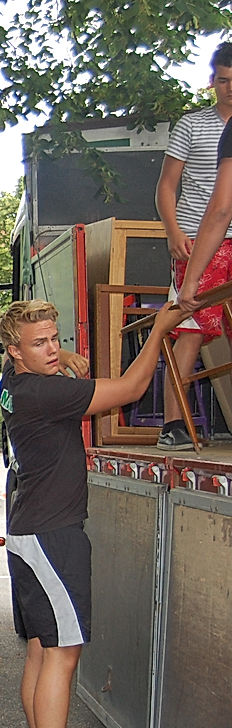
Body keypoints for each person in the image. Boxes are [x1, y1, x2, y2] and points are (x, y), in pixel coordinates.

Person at [0, 299, 188, 728]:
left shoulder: (15, 385)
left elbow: (55, 373)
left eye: (55, 338)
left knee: (41, 653)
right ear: (14, 351)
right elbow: (131, 389)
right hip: (52, 536)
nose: (52, 349)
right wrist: (160, 328)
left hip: (30, 532)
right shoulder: (43, 393)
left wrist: (64, 363)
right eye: (39, 344)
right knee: (63, 655)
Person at [154, 41, 232, 450]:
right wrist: (171, 231)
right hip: (199, 235)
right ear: (212, 81)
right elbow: (167, 185)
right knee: (191, 325)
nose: (230, 88)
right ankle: (174, 423)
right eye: (223, 80)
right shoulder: (192, 125)